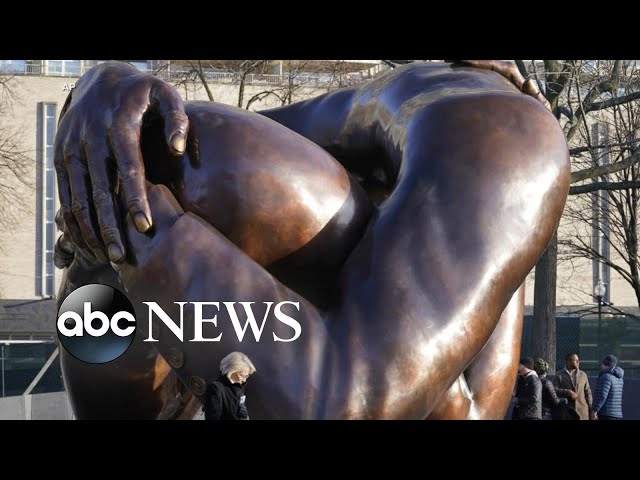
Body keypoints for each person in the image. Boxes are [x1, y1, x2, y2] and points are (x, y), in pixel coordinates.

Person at [53, 60, 571, 419]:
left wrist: (125, 214)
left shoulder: (498, 138)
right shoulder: (452, 121)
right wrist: (103, 106)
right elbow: (183, 137)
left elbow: (347, 404)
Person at [204, 352, 256, 420]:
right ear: (232, 371)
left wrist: (245, 416)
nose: (244, 380)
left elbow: (242, 410)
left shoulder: (239, 387)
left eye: (247, 376)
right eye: (242, 376)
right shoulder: (215, 389)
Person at [553, 353, 593, 420]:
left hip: (582, 413)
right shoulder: (559, 375)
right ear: (568, 361)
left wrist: (591, 407)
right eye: (575, 360)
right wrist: (568, 392)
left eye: (578, 360)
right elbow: (554, 390)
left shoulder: (583, 375)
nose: (577, 362)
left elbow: (588, 392)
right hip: (567, 412)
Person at [592, 354, 624, 420]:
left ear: (604, 364)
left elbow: (602, 396)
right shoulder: (619, 378)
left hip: (606, 414)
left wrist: (595, 410)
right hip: (617, 414)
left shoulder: (605, 377)